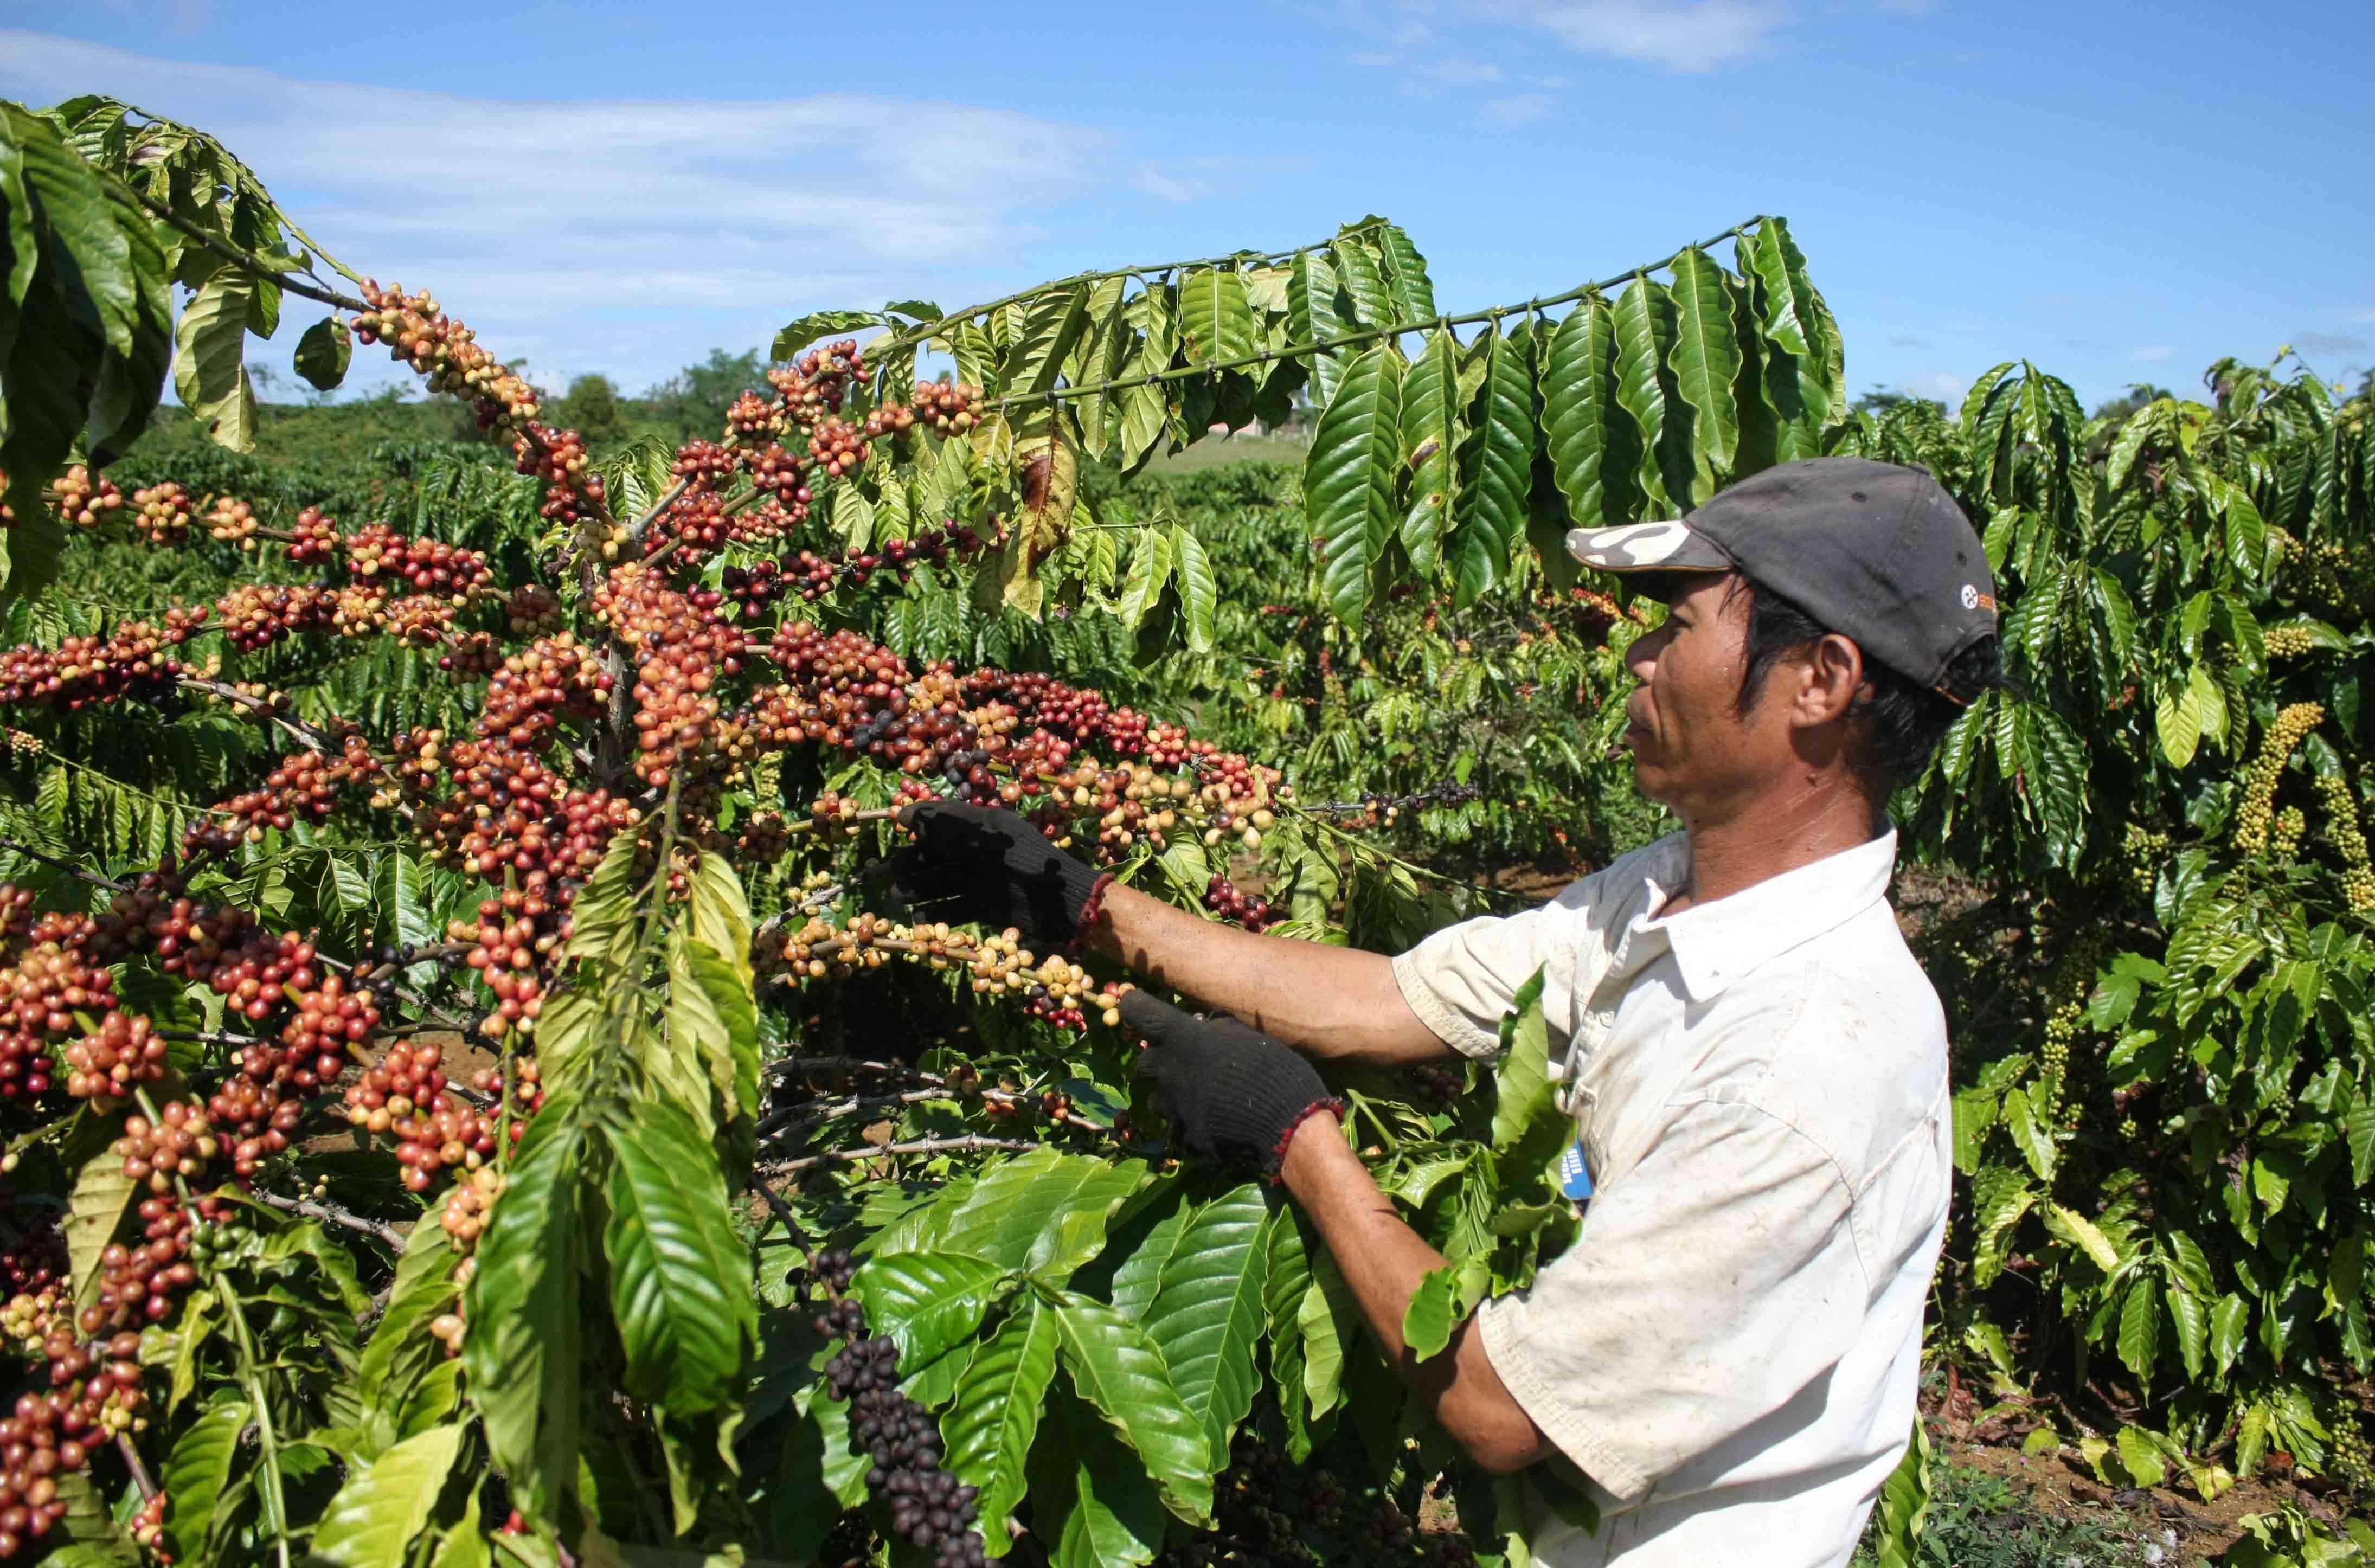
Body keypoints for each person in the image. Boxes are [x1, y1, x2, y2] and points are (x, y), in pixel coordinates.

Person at [883, 457, 2002, 1566]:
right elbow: (1385, 1000)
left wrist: (1300, 1141)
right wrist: (1084, 905)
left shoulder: (1802, 1071)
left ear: (1822, 680)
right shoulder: (1666, 891)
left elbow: (1503, 1406)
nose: (1640, 654)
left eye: (1680, 623)